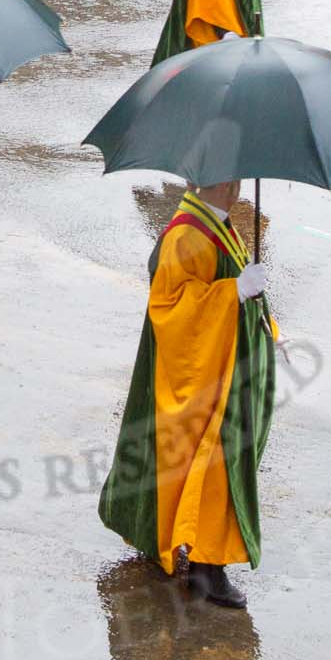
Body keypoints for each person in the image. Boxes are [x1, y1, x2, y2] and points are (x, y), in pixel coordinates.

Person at [96, 177, 275, 609]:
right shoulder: (186, 233)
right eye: (226, 178)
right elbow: (172, 306)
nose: (234, 188)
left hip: (225, 363)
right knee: (214, 465)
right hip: (207, 378)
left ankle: (194, 550)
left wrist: (266, 323)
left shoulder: (219, 224)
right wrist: (232, 292)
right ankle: (206, 566)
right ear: (205, 181)